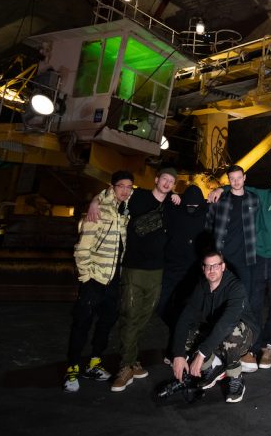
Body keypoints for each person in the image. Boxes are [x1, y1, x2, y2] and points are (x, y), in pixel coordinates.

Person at [87, 167, 178, 392]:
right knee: (129, 315)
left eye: (171, 181)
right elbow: (113, 193)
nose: (167, 183)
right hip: (134, 268)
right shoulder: (138, 196)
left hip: (157, 271)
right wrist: (94, 201)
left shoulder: (172, 204)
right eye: (164, 179)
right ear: (156, 179)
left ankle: (132, 359)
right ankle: (126, 366)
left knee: (143, 316)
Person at [210, 171, 271, 372]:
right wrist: (221, 188)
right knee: (254, 302)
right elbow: (239, 186)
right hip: (258, 256)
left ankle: (269, 345)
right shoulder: (263, 195)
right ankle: (253, 346)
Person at [63, 170, 133, 393]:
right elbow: (82, 248)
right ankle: (72, 368)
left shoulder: (124, 210)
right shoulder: (99, 210)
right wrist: (86, 277)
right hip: (94, 279)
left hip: (113, 280)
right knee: (82, 324)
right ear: (112, 187)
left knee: (106, 324)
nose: (125, 190)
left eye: (129, 187)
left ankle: (94, 363)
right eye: (121, 186)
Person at [168, 251, 258, 403]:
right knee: (188, 334)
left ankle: (235, 376)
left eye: (215, 266)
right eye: (208, 266)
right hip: (216, 330)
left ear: (223, 267)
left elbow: (227, 324)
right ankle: (213, 365)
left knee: (232, 334)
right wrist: (178, 354)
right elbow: (184, 318)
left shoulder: (236, 287)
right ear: (203, 268)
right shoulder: (201, 286)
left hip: (242, 335)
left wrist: (201, 355)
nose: (211, 270)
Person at [159, 185, 211, 353]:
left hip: (193, 271)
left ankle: (181, 346)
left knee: (190, 309)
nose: (192, 208)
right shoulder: (174, 209)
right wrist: (171, 196)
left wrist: (220, 190)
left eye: (196, 206)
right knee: (163, 305)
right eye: (189, 205)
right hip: (172, 267)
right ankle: (179, 332)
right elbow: (155, 197)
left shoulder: (207, 211)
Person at [205, 165, 260, 299]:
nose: (236, 182)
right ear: (228, 180)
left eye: (239, 178)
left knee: (244, 294)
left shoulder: (254, 199)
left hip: (245, 257)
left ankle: (241, 314)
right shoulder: (219, 200)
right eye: (232, 179)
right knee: (220, 294)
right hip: (222, 257)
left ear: (244, 177)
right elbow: (208, 225)